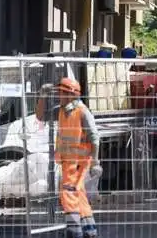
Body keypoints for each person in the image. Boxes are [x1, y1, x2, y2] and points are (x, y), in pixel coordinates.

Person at [36, 78, 102, 238]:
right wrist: (43, 96)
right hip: (67, 161)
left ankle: (74, 232)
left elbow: (94, 137)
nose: (58, 95)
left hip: (79, 163)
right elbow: (40, 116)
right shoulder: (61, 110)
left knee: (68, 193)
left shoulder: (82, 111)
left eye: (62, 92)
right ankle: (89, 231)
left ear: (71, 94)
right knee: (78, 194)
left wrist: (94, 162)